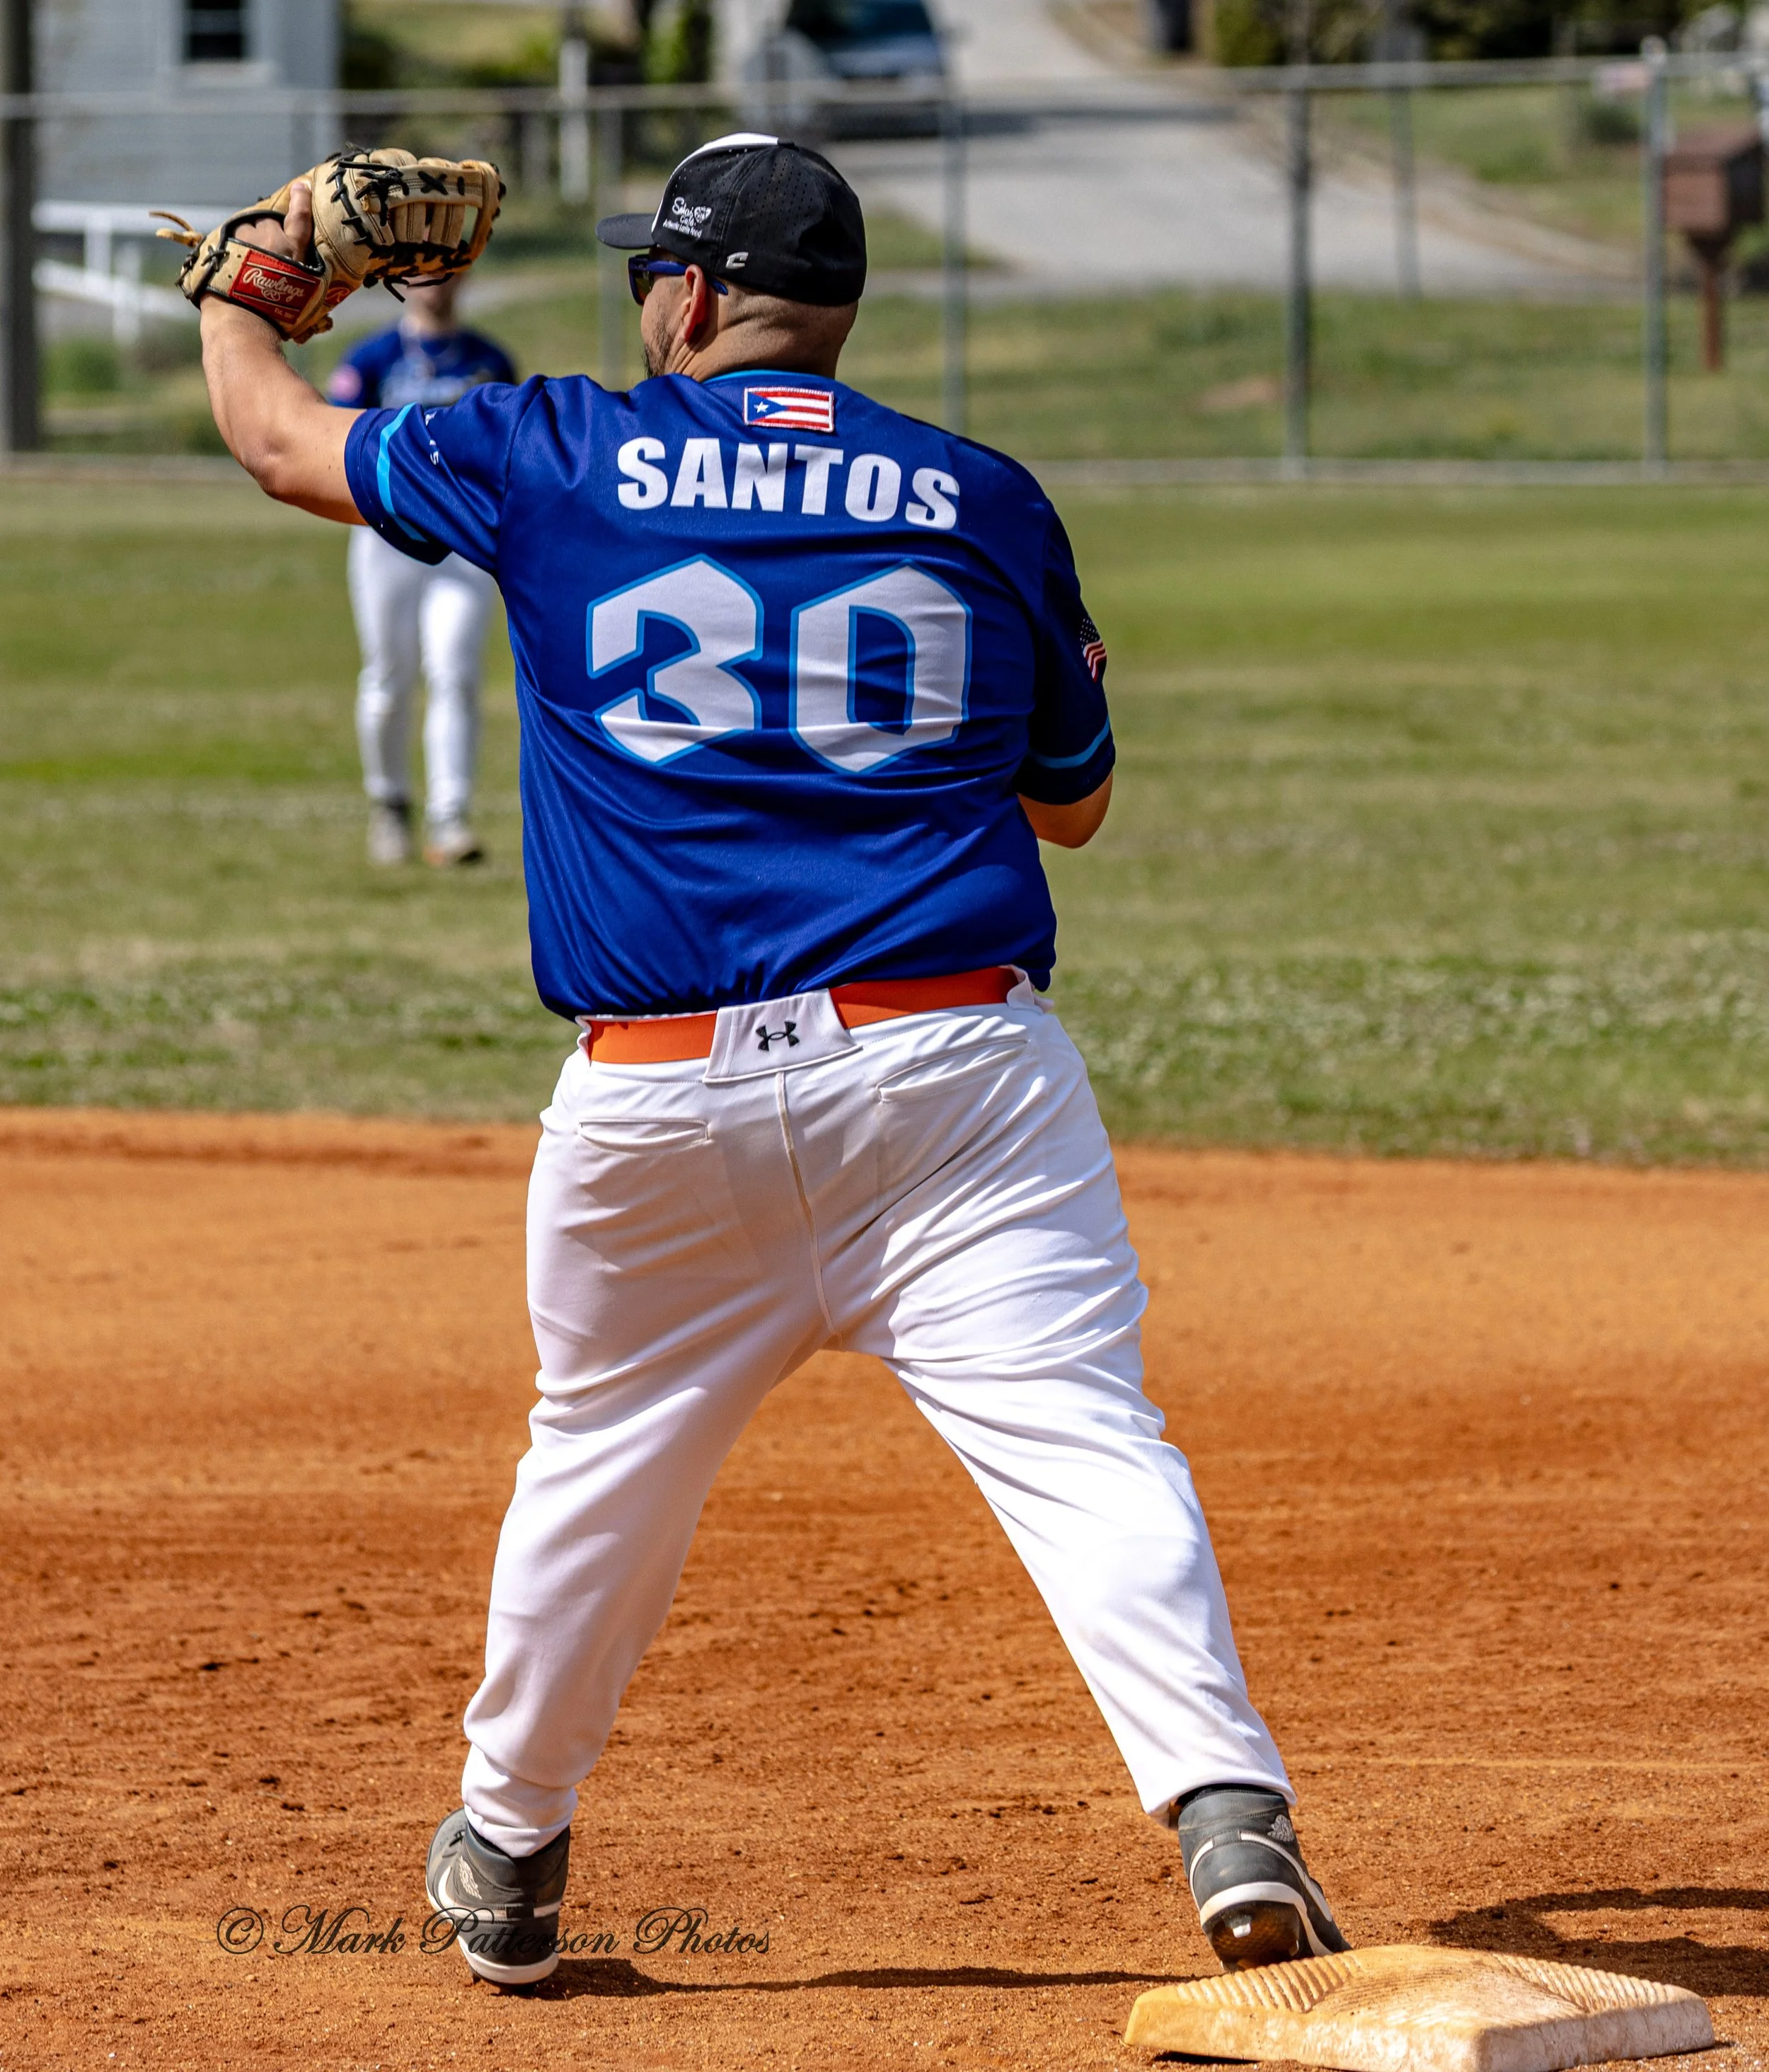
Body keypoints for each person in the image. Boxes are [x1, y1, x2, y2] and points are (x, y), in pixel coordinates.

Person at [195, 134, 1349, 1991]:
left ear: (687, 297)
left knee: (599, 1465)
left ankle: (506, 1847)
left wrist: (251, 282)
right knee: (1082, 1441)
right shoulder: (983, 495)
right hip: (952, 1082)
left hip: (655, 1097)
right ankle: (1224, 1809)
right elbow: (1077, 805)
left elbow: (273, 441)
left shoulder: (553, 448)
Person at [325, 277, 516, 867]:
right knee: (388, 676)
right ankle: (390, 805)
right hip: (386, 539)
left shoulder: (489, 360)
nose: (436, 287)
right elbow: (335, 440)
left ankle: (450, 819)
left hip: (461, 540)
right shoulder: (371, 358)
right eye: (423, 275)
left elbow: (510, 449)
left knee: (455, 673)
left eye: (447, 273)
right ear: (403, 284)